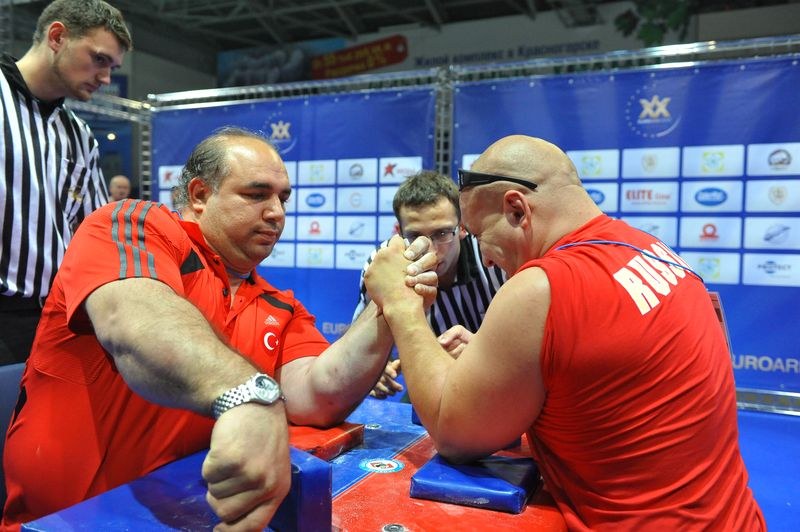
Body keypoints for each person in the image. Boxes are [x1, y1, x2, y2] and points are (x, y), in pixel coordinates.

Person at [1, 127, 436, 531]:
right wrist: (250, 395)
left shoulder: (279, 304)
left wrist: (388, 306)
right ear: (199, 195)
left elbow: (319, 396)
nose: (277, 213)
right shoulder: (130, 225)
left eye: (283, 198)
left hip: (189, 514)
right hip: (64, 521)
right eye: (256, 194)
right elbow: (135, 322)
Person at [364, 135, 765, 530]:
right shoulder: (653, 250)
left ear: (517, 210)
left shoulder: (541, 287)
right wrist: (502, 359)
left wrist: (403, 306)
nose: (485, 258)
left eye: (481, 236)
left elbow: (453, 436)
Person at [0, 0, 131, 366]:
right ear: (57, 37)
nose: (105, 78)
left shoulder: (79, 134)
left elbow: (96, 233)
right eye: (99, 59)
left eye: (112, 67)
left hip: (52, 319)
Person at [352, 170, 505, 398]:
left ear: (462, 227)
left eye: (442, 233)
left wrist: (483, 353)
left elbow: (535, 343)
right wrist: (371, 369)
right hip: (433, 384)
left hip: (502, 378)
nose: (429, 250)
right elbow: (359, 352)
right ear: (398, 232)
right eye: (414, 236)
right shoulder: (382, 266)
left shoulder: (494, 255)